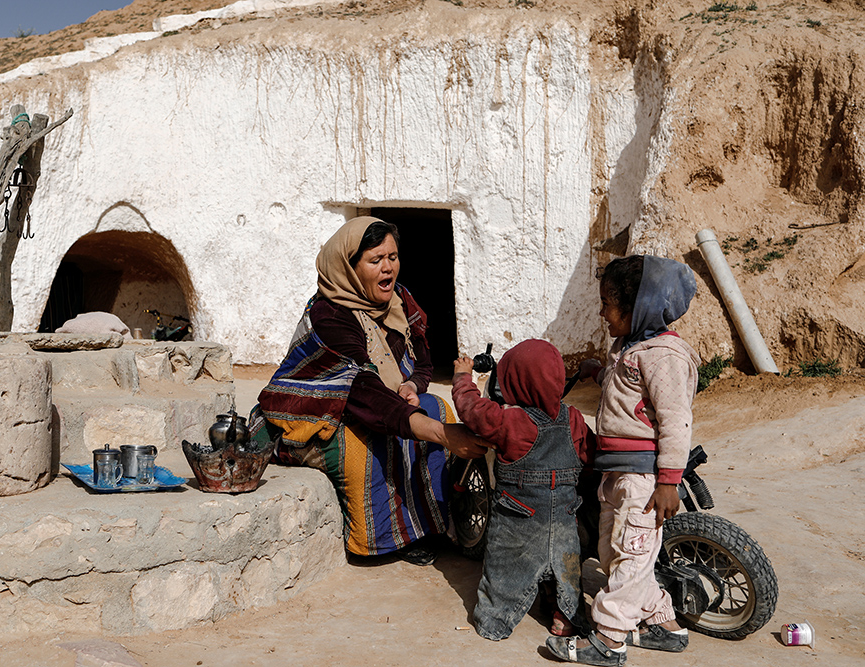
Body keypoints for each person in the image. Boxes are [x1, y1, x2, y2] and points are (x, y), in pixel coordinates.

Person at [250, 216, 487, 565]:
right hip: (319, 413)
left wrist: (411, 385)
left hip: (383, 399)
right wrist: (442, 435)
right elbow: (361, 392)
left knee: (435, 406)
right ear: (349, 266)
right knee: (369, 443)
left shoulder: (400, 301)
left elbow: (423, 363)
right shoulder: (330, 314)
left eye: (392, 257)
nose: (388, 268)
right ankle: (384, 541)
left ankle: (431, 525)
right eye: (375, 260)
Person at [546, 255, 699, 666]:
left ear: (637, 309)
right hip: (617, 473)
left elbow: (674, 420)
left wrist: (669, 481)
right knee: (620, 555)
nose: (601, 312)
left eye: (607, 304)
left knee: (630, 558)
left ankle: (609, 641)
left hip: (644, 480)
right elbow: (629, 397)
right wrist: (599, 373)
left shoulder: (663, 355)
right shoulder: (630, 347)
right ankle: (664, 624)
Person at [452, 339, 595, 641]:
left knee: (503, 573)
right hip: (565, 517)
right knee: (566, 572)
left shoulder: (512, 422)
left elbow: (473, 410)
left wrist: (463, 378)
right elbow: (590, 455)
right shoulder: (574, 419)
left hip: (518, 523)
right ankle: (564, 616)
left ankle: (494, 621)